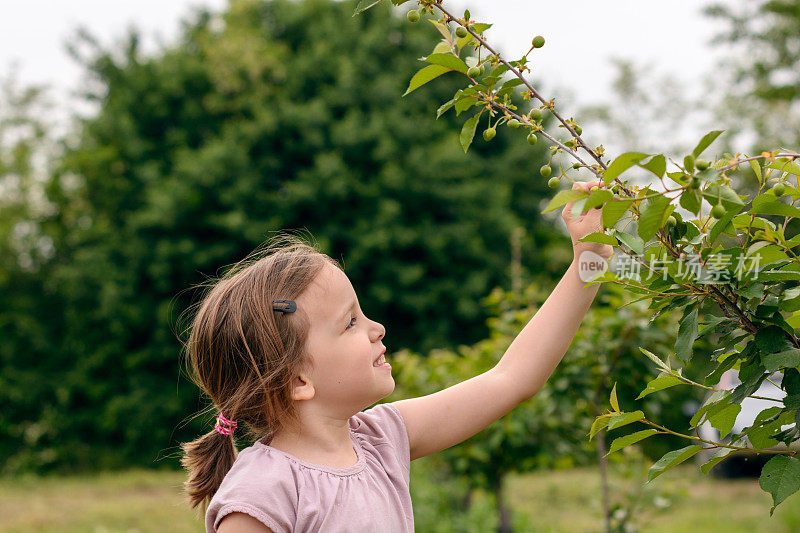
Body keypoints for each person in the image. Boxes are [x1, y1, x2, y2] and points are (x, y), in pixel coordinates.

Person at [180, 180, 613, 532]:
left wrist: (588, 261)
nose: (377, 328)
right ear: (297, 382)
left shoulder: (381, 440)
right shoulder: (262, 493)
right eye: (350, 322)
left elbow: (513, 378)